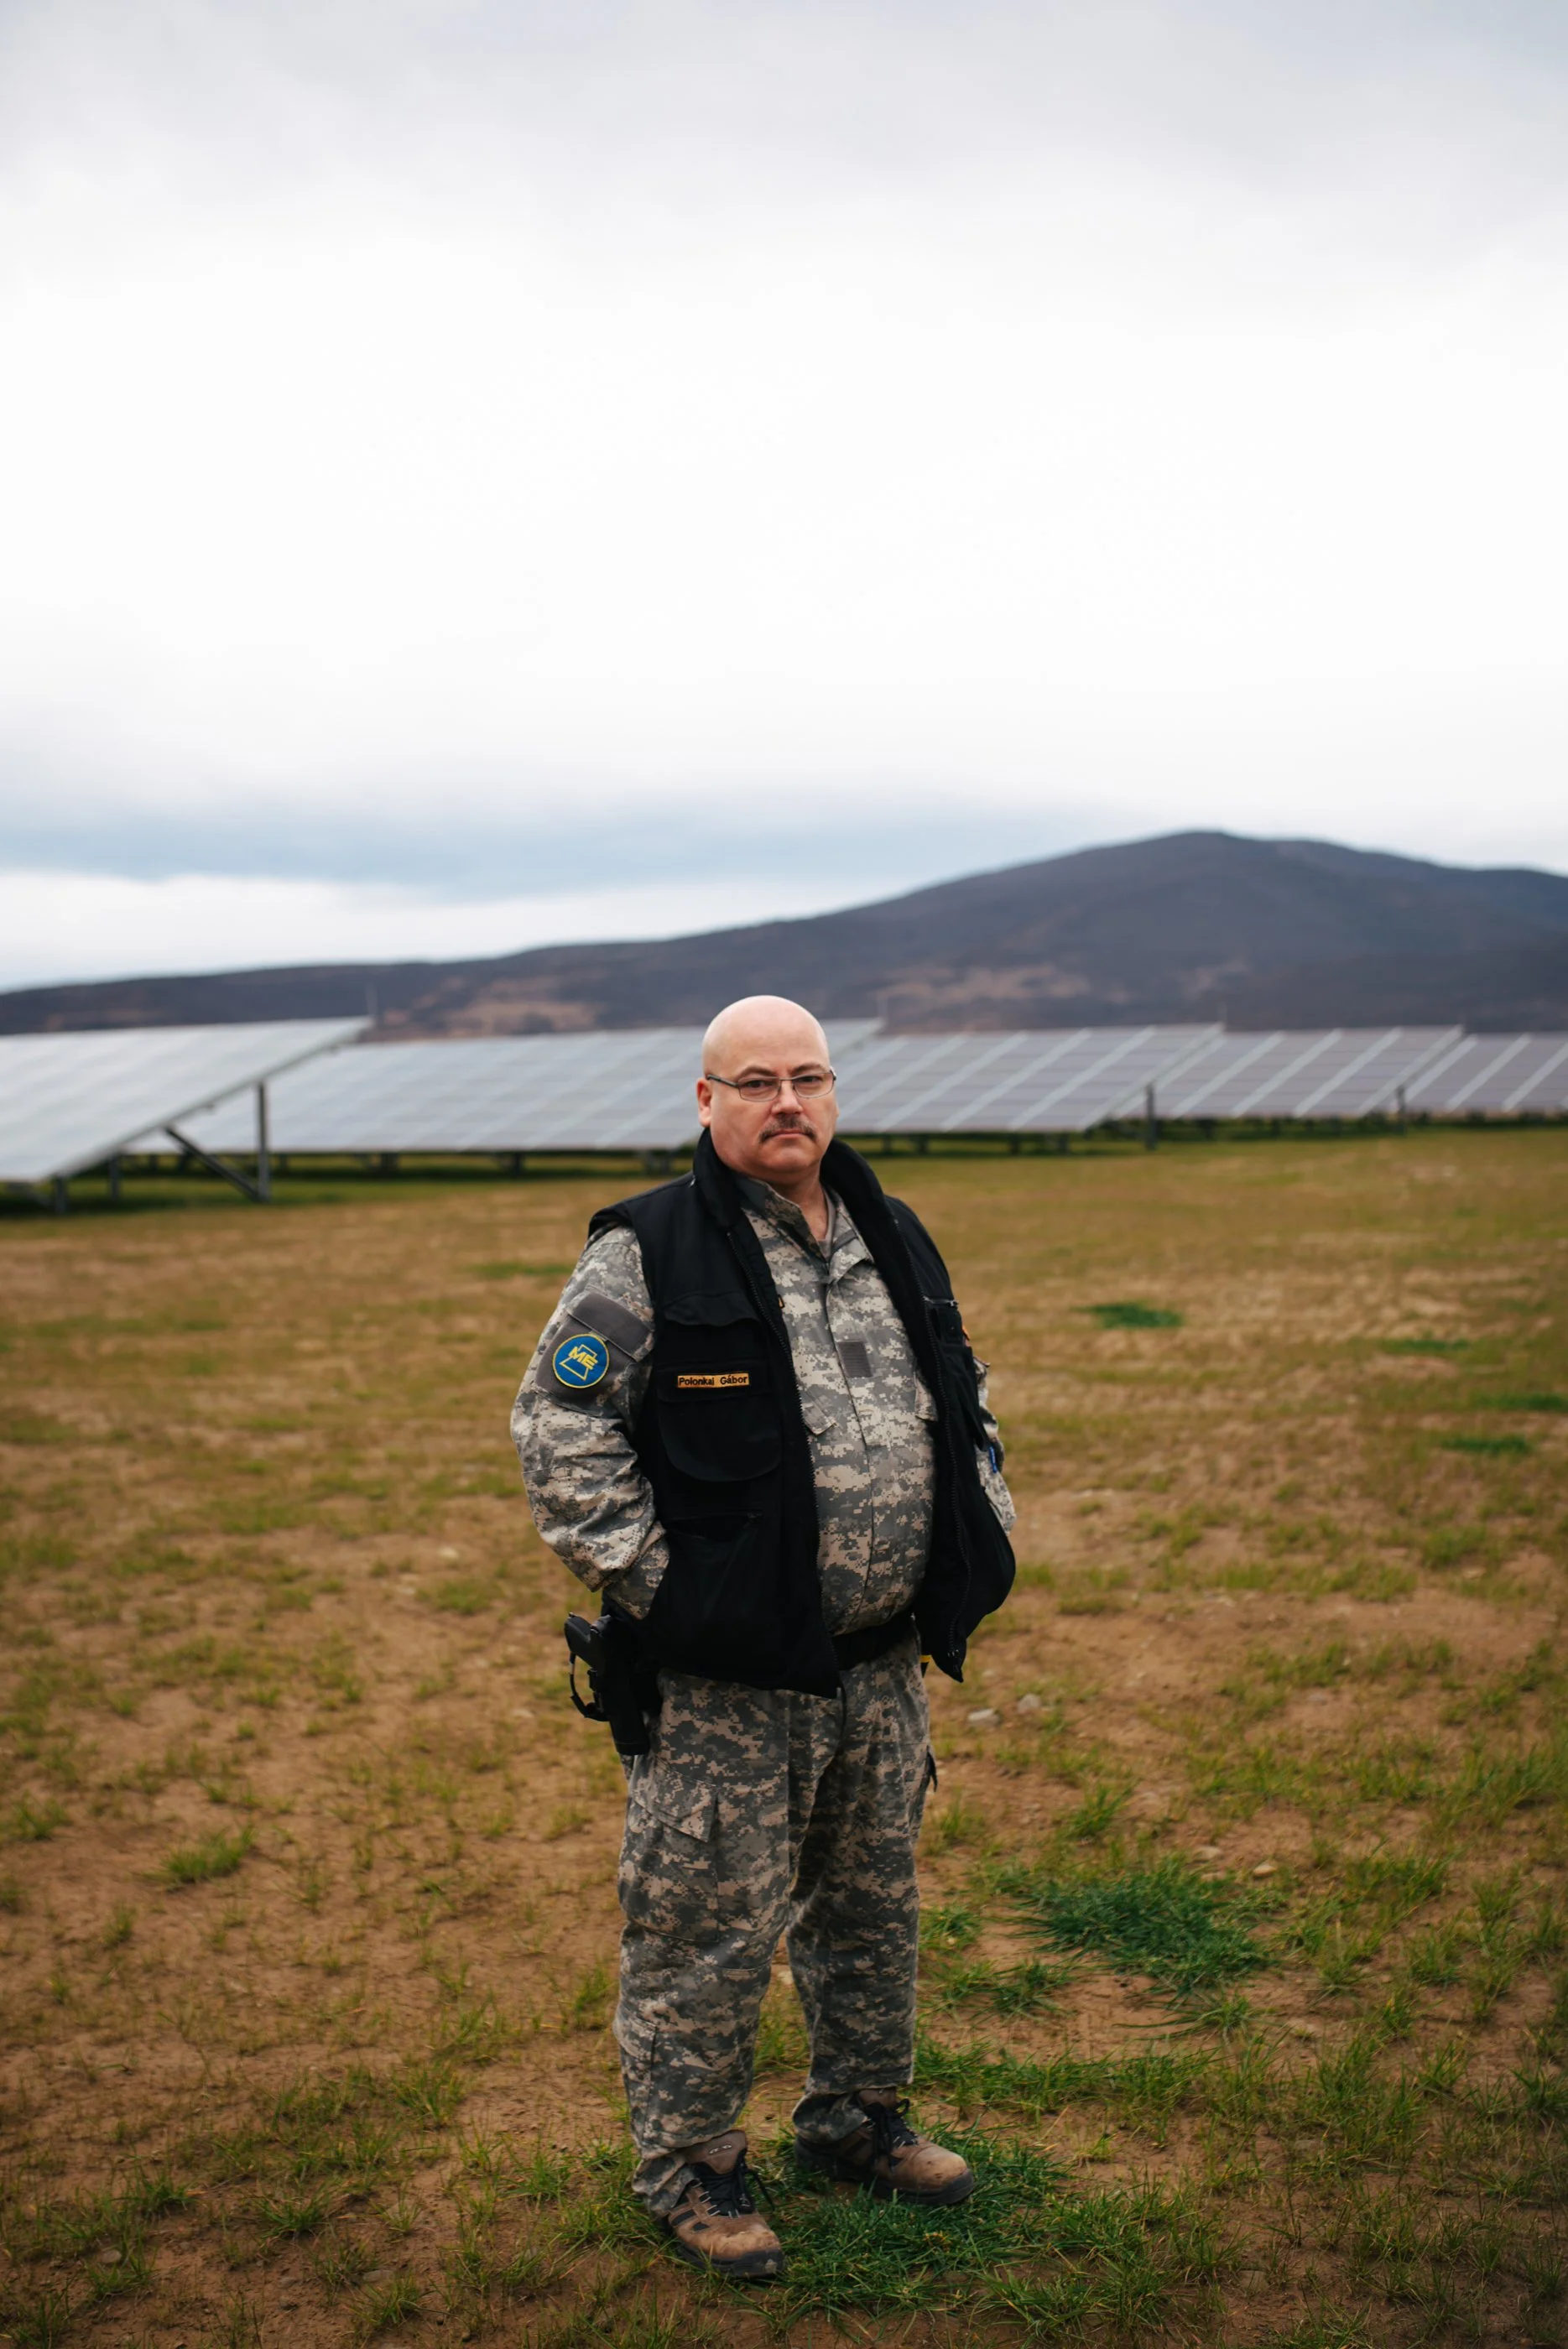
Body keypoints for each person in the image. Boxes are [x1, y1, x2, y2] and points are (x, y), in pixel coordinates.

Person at [512, 995, 1015, 2281]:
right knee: (705, 1928)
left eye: (808, 1078)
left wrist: (981, 1525)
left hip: (883, 1664)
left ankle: (857, 2118)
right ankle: (688, 2165)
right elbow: (558, 1431)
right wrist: (668, 1595)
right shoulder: (649, 1251)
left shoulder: (892, 1234)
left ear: (834, 1091)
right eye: (756, 1083)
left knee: (871, 1908)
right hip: (729, 1682)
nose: (787, 1103)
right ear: (706, 1101)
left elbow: (962, 1402)